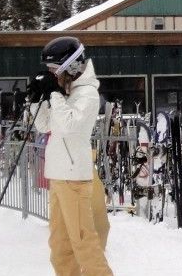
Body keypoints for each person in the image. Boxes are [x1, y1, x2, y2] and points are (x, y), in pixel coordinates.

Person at [29, 36, 113, 276]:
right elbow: (45, 126)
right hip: (58, 175)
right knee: (60, 246)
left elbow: (69, 127)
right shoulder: (66, 93)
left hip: (74, 178)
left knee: (83, 242)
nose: (52, 74)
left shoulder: (87, 94)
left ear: (72, 67)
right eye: (50, 70)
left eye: (55, 69)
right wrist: (36, 100)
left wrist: (54, 94)